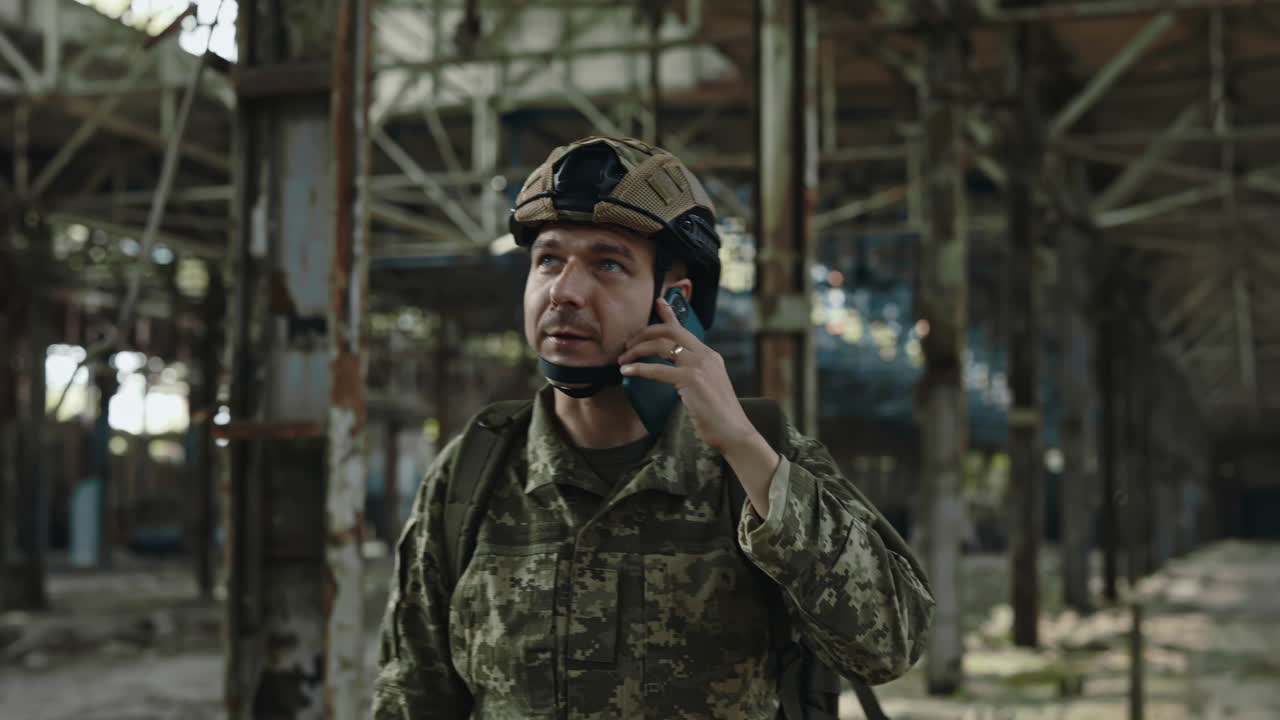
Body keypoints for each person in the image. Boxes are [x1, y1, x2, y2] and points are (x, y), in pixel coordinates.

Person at [371, 137, 934, 719]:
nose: (564, 291)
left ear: (674, 302)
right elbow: (411, 695)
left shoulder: (758, 461)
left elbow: (889, 646)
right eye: (548, 259)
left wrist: (742, 447)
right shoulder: (473, 476)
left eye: (608, 264)